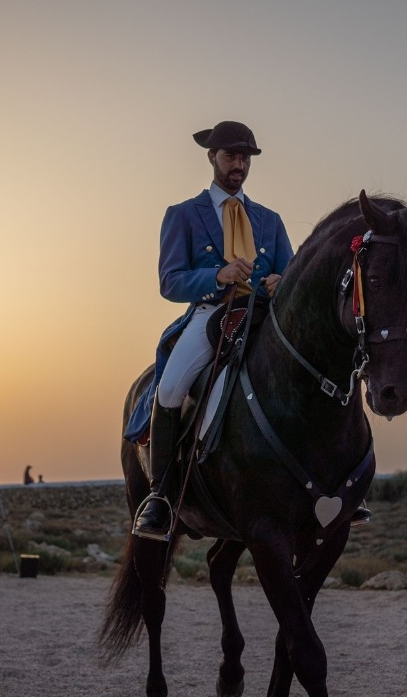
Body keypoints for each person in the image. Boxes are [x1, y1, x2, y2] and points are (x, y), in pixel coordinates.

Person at [124, 120, 313, 541]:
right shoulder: (182, 215)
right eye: (231, 156)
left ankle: (330, 488)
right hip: (214, 314)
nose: (238, 165)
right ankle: (160, 495)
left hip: (265, 317)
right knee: (170, 388)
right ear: (212, 157)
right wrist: (218, 275)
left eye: (245, 158)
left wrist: (281, 281)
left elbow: (291, 273)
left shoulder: (269, 220)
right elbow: (170, 281)